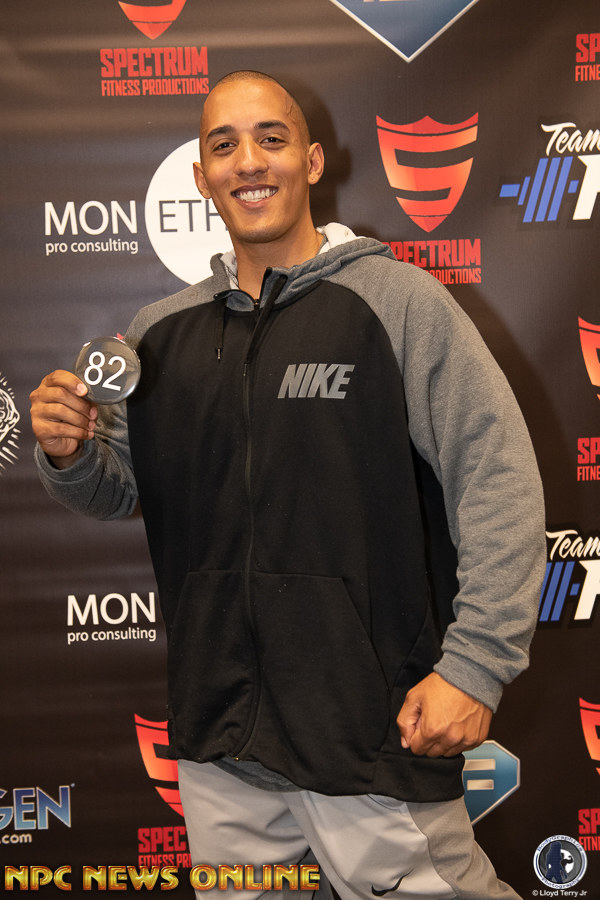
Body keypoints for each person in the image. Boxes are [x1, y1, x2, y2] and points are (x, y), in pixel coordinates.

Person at [30, 71, 546, 899]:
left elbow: (497, 479)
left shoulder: (397, 302)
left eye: (270, 138)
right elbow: (116, 492)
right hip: (220, 739)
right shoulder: (160, 333)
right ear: (201, 177)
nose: (248, 161)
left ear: (310, 161)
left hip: (369, 732)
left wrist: (474, 667)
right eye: (223, 145)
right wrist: (69, 453)